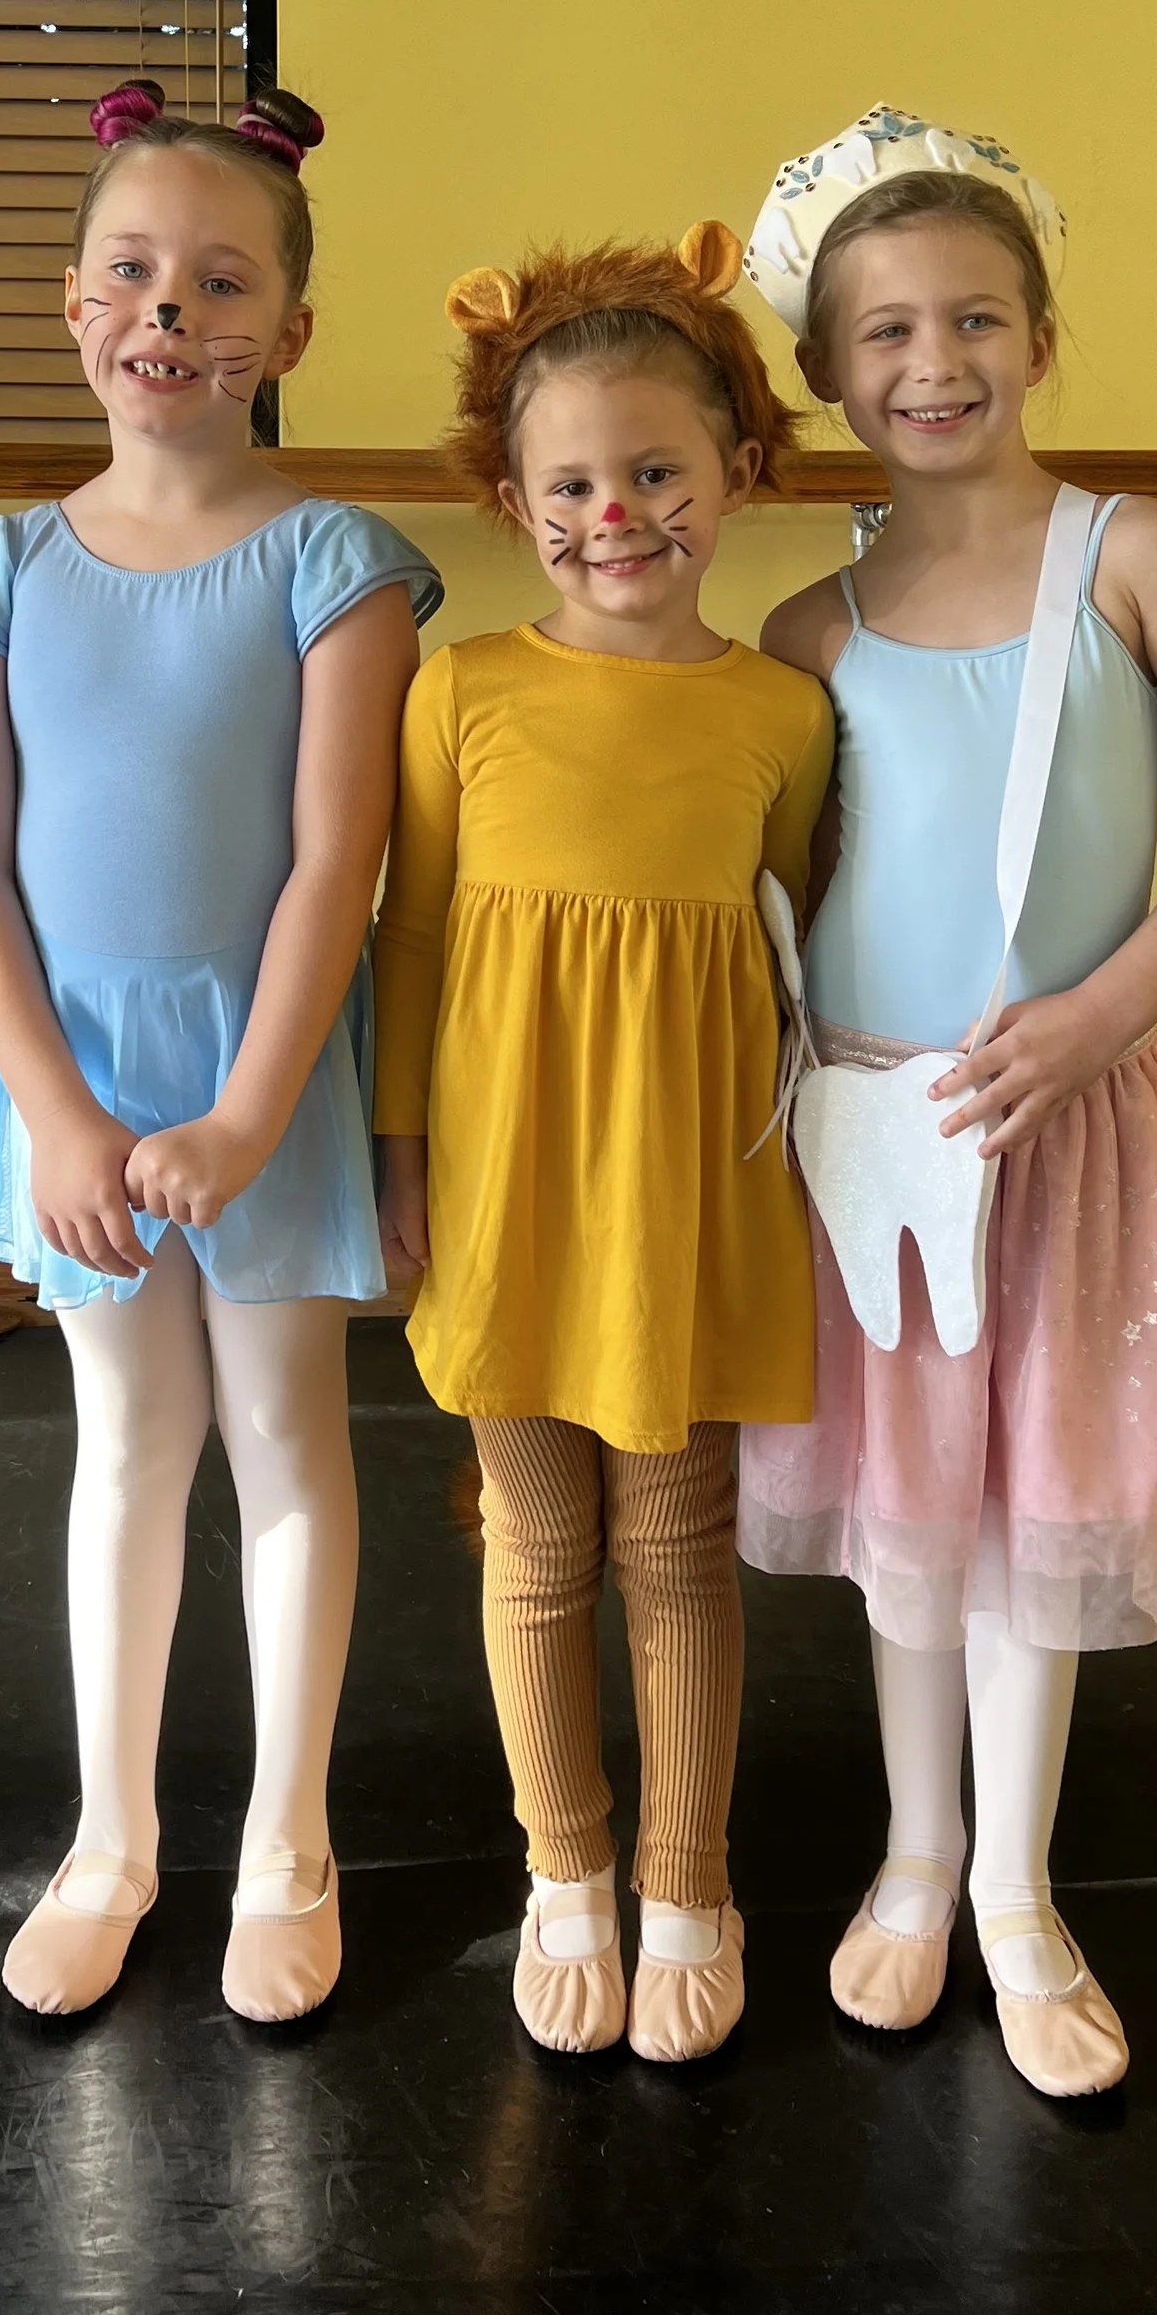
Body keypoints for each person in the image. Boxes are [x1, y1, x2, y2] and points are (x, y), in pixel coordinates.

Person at [735, 106, 1157, 2095]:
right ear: (819, 371)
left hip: (1057, 1124)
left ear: (1038, 335)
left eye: (971, 319)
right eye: (881, 332)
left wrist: (1097, 1018)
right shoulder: (810, 628)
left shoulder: (1129, 553)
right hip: (876, 1140)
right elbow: (788, 897)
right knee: (907, 1507)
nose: (930, 363)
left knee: (1028, 1496)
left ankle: (1015, 1894)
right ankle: (909, 1855)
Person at [0, 78, 440, 2026]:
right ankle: (111, 1838)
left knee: (288, 1443)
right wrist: (52, 1109)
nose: (169, 310)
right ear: (75, 304)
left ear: (286, 332)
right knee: (127, 1449)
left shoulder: (339, 561)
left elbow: (334, 862)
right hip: (59, 1066)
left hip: (262, 1058)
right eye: (132, 272)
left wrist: (243, 1105)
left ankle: (285, 1841)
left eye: (220, 282)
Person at [374, 227, 834, 2063]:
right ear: (512, 496)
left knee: (680, 1547)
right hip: (503, 1184)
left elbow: (793, 953)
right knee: (537, 1550)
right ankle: (565, 1869)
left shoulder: (783, 712)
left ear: (738, 469)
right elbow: (411, 938)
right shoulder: (460, 687)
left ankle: (687, 1874)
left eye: (658, 471)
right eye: (572, 482)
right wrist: (402, 1156)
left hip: (694, 1192)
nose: (617, 513)